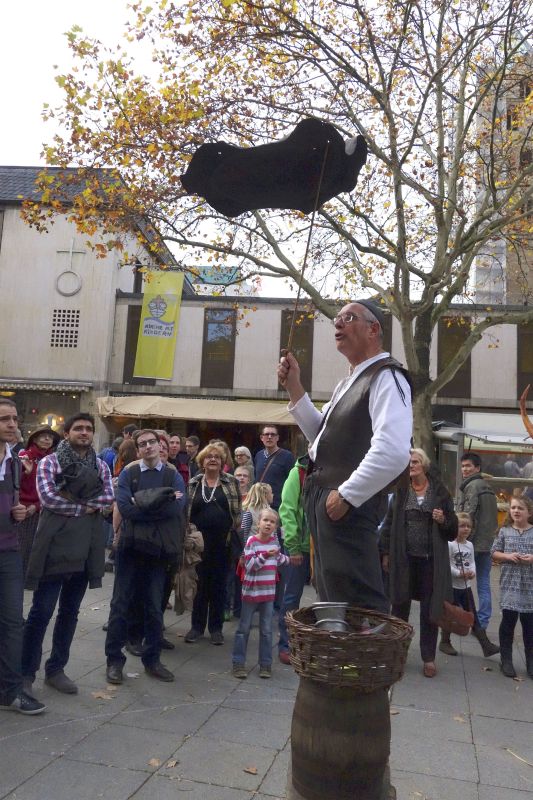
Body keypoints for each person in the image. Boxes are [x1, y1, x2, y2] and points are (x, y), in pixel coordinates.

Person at [278, 299, 412, 612]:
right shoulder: (349, 382)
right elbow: (322, 437)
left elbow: (394, 451)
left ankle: (364, 645)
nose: (338, 323)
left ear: (373, 329)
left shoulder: (386, 377)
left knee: (357, 607)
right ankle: (342, 644)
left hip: (345, 505)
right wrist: (295, 386)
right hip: (330, 501)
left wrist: (347, 496)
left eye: (349, 318)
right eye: (337, 318)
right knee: (333, 600)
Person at [22, 413, 114, 695]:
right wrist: (85, 507)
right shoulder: (50, 462)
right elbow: (49, 498)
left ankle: (56, 669)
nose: (84, 432)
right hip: (54, 547)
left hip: (85, 548)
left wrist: (72, 502)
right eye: (78, 428)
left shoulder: (100, 465)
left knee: (70, 613)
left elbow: (107, 496)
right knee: (41, 612)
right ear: (67, 433)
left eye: (88, 428)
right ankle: (25, 673)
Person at [105, 429, 186, 684]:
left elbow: (176, 508)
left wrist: (140, 503)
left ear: (160, 446)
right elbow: (124, 507)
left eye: (153, 442)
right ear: (137, 449)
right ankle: (114, 661)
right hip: (130, 548)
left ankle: (152, 661)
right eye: (143, 444)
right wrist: (158, 502)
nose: (149, 446)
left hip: (158, 551)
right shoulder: (129, 473)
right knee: (120, 606)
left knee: (153, 607)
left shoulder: (172, 475)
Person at [380, 448, 457, 677]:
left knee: (429, 610)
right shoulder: (401, 490)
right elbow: (389, 523)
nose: (410, 466)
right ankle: (396, 654)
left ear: (424, 465)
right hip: (404, 559)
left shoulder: (440, 492)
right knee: (399, 606)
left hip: (430, 562)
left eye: (414, 462)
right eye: (408, 463)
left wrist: (443, 520)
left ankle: (428, 658)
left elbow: (452, 530)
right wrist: (386, 552)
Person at [0, 400, 45, 716]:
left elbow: (14, 502)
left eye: (15, 418)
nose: (12, 424)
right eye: (4, 419)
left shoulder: (15, 462)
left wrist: (19, 511)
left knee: (13, 622)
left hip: (9, 550)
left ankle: (10, 691)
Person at [185, 443, 241, 645]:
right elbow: (187, 511)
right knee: (199, 586)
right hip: (198, 545)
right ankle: (196, 627)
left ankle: (216, 629)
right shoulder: (193, 483)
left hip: (222, 543)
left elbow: (237, 511)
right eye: (209, 457)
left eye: (217, 457)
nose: (213, 460)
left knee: (219, 586)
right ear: (202, 461)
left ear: (222, 461)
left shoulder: (231, 482)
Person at [232, 507, 290, 679]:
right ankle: (238, 663)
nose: (268, 524)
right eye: (265, 520)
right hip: (251, 593)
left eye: (272, 522)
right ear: (258, 523)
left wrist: (291, 559)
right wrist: (265, 555)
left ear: (276, 527)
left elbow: (279, 559)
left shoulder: (274, 543)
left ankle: (265, 664)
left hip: (268, 594)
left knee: (266, 630)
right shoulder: (252, 541)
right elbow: (250, 565)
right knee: (243, 628)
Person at [440, 512, 499, 658]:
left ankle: (485, 645)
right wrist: (458, 573)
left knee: (473, 615)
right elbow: (446, 564)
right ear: (455, 527)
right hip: (452, 587)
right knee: (450, 615)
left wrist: (472, 572)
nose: (466, 529)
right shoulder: (450, 545)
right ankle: (445, 642)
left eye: (468, 526)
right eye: (462, 526)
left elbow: (472, 562)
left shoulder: (470, 545)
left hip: (465, 587)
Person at [491, 495, 533, 679]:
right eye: (513, 507)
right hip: (510, 584)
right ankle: (506, 659)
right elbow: (494, 552)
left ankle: (531, 661)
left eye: (520, 508)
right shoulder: (505, 531)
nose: (516, 511)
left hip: (530, 587)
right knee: (508, 622)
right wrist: (507, 556)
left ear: (529, 512)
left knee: (529, 626)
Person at [458, 451, 498, 630]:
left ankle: (461, 619)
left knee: (460, 582)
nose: (464, 469)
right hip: (487, 543)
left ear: (477, 468)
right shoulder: (488, 486)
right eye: (463, 466)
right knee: (483, 583)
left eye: (468, 466)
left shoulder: (472, 486)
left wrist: (462, 539)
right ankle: (482, 622)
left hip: (472, 543)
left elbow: (468, 516)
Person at [277, 455, 311, 665]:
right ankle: (286, 644)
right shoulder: (298, 473)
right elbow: (287, 509)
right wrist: (293, 546)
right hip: (299, 547)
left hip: (324, 548)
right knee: (291, 597)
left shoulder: (334, 468)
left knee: (327, 600)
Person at [18, 426, 60, 576]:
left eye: (50, 437)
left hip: (43, 510)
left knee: (38, 551)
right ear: (35, 439)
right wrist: (25, 472)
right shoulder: (24, 456)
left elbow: (55, 488)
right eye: (43, 436)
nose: (47, 439)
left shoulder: (53, 461)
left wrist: (37, 506)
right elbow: (13, 485)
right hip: (23, 511)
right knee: (22, 549)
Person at [253, 425, 294, 510]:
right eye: (266, 434)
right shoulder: (258, 455)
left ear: (277, 438)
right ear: (261, 438)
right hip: (259, 504)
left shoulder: (287, 456)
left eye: (273, 434)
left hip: (278, 505)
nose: (269, 437)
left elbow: (291, 482)